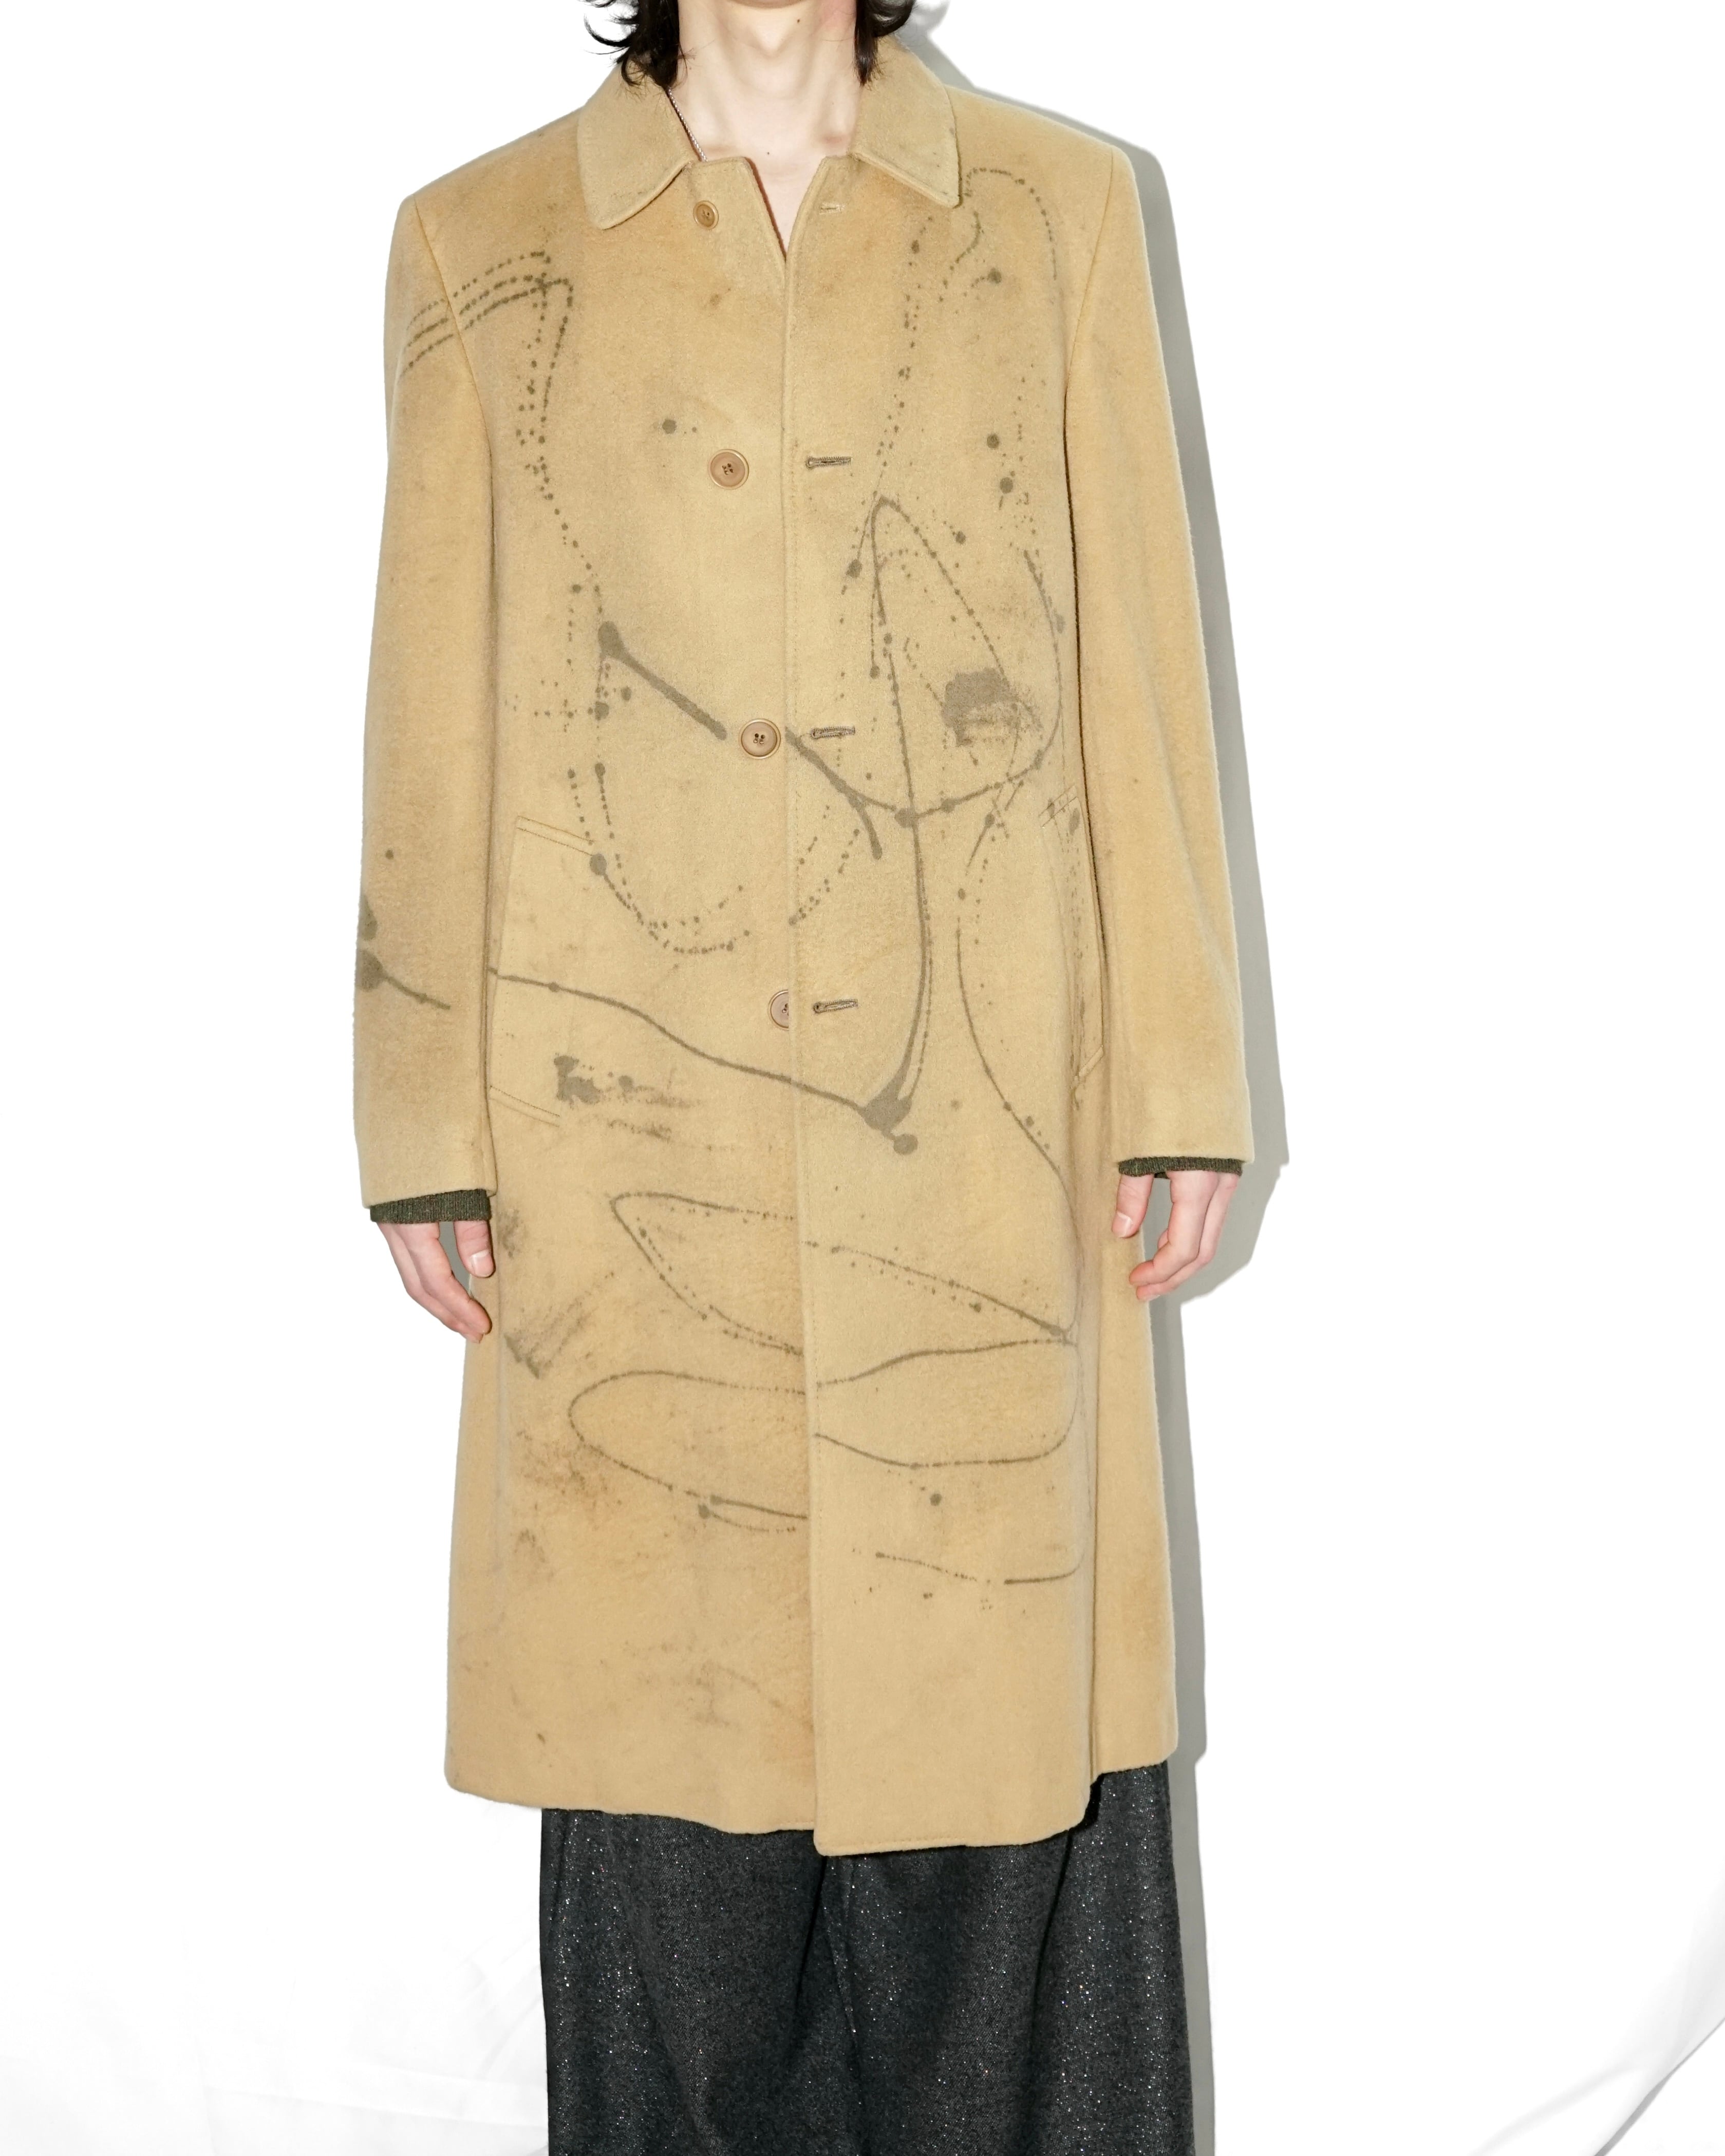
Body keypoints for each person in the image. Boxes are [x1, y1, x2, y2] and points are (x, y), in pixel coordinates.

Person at [355, 1, 1251, 2147]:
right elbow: (431, 698)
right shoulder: (482, 241)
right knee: (673, 1791)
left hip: (983, 1146)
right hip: (623, 1157)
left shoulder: (1055, 213)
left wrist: (1180, 1074)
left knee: (1000, 1766)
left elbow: (1139, 662)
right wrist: (421, 1120)